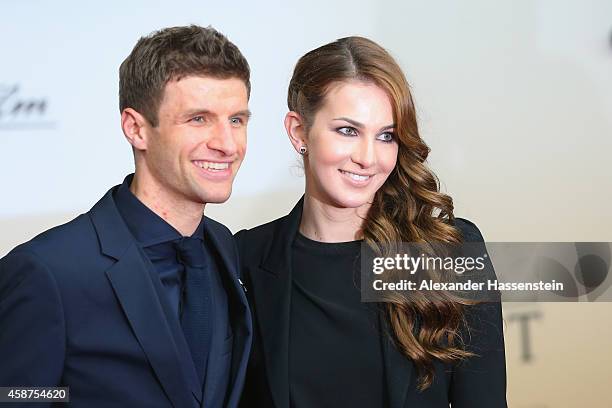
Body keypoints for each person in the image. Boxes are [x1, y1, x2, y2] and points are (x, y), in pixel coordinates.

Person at [236, 36, 507, 407]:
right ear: (299, 131)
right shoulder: (245, 258)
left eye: (386, 136)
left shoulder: (448, 250)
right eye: (348, 130)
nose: (368, 157)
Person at [0, 25, 252, 408]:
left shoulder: (225, 248)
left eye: (236, 119)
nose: (227, 144)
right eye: (198, 119)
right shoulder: (48, 271)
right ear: (136, 128)